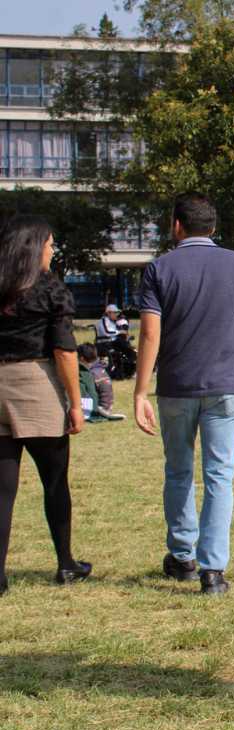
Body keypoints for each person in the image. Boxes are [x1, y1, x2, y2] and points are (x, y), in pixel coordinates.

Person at [134, 193, 234, 596]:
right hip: (226, 384)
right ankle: (214, 570)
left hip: (176, 385)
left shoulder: (159, 268)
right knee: (220, 476)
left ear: (177, 225)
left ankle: (182, 556)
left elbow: (150, 332)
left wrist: (141, 390)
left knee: (178, 471)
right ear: (212, 226)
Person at [0, 216, 91, 596]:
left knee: (3, 490)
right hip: (37, 384)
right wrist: (74, 403)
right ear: (34, 247)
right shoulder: (50, 288)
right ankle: (65, 563)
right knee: (54, 482)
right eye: (50, 244)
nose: (52, 251)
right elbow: (64, 351)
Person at [78, 343, 124, 420]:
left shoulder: (89, 373)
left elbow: (92, 394)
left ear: (82, 359)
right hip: (107, 407)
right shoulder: (100, 369)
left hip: (98, 410)